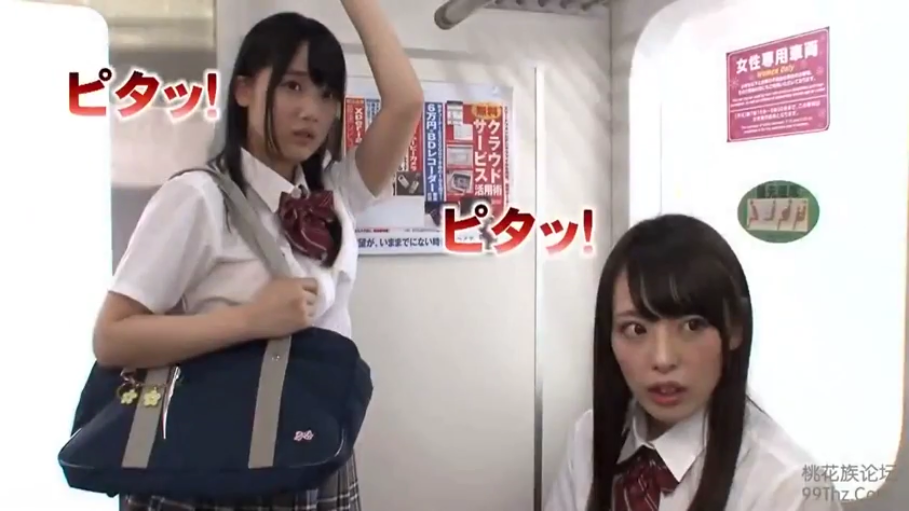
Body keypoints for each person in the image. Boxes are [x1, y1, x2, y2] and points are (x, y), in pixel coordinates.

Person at [92, 2, 423, 510]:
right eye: (292, 86)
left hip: (315, 452)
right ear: (245, 90)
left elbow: (405, 102)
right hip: (219, 457)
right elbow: (112, 338)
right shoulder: (199, 197)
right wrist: (251, 320)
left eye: (327, 93)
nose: (311, 110)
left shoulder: (333, 194)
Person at [545, 214, 842, 511]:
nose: (663, 359)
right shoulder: (588, 438)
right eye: (636, 329)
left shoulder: (788, 488)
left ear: (735, 329)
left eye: (692, 326)